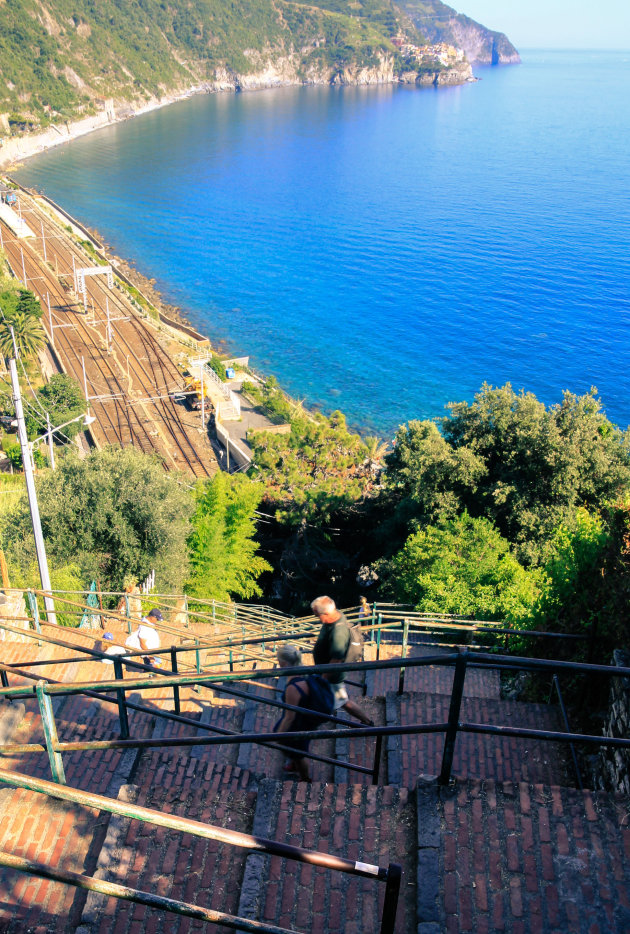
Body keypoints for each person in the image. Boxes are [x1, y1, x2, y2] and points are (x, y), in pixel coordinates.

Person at [273, 644, 335, 782]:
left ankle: (305, 778)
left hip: (299, 724)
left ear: (283, 663)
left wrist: (278, 735)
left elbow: (290, 718)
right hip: (305, 717)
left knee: (299, 754)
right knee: (296, 750)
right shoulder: (303, 670)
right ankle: (295, 765)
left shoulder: (293, 688)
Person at [311, 596, 373, 726]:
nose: (317, 618)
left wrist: (323, 679)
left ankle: (367, 722)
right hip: (325, 670)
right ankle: (327, 711)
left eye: (318, 615)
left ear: (326, 613)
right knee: (336, 698)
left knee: (343, 701)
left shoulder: (338, 632)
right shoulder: (335, 615)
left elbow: (337, 659)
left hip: (331, 674)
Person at [125, 608, 163, 672]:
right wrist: (150, 656)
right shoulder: (145, 627)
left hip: (153, 651)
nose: (157, 621)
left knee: (156, 669)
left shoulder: (147, 623)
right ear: (152, 617)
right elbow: (142, 643)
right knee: (157, 669)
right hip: (150, 651)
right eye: (157, 619)